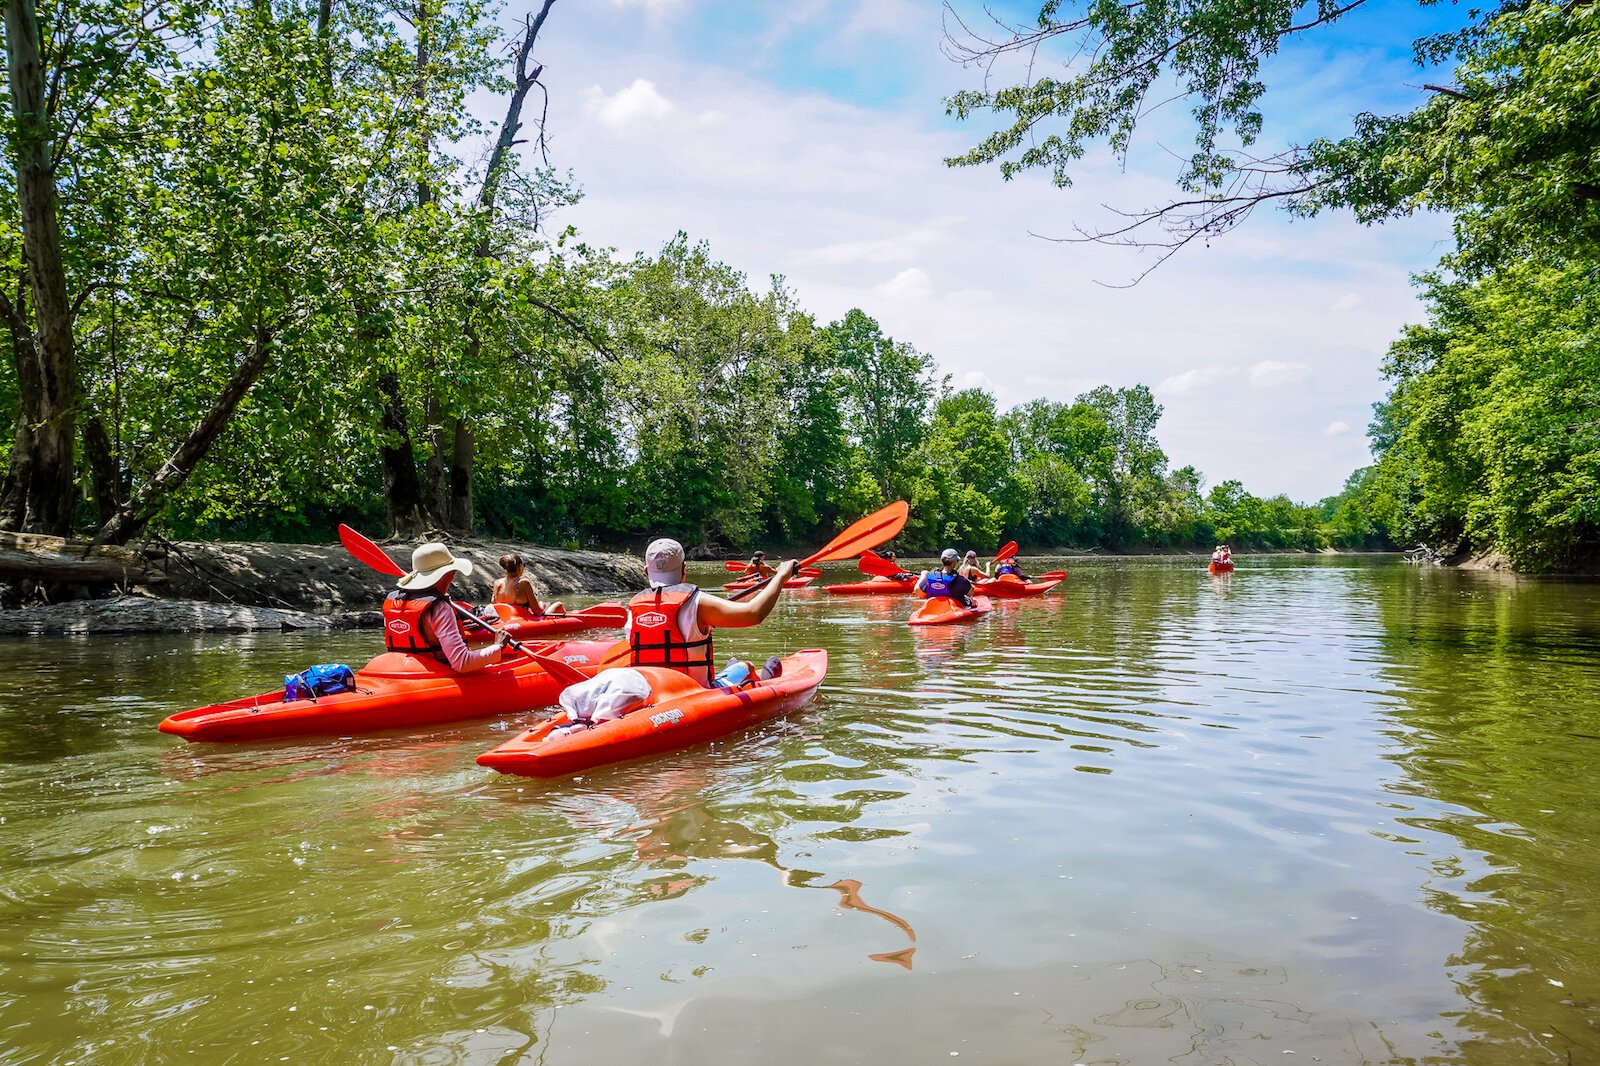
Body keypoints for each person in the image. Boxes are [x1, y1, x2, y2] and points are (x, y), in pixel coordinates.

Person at [629, 538, 794, 687]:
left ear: (645, 571)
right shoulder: (698, 602)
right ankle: (763, 679)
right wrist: (780, 576)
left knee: (735, 667)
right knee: (746, 667)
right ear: (684, 569)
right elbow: (754, 613)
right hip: (695, 692)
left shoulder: (633, 610)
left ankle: (729, 671)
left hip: (653, 693)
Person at [382, 543, 508, 672]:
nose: (453, 576)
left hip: (402, 671)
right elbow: (462, 663)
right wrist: (498, 646)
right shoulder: (439, 608)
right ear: (444, 575)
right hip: (435, 676)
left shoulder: (394, 601)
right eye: (452, 572)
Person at [491, 552, 561, 616]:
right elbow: (538, 612)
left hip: (504, 618)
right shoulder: (523, 583)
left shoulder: (497, 583)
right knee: (558, 605)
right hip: (519, 619)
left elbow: (494, 605)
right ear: (520, 566)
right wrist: (542, 605)